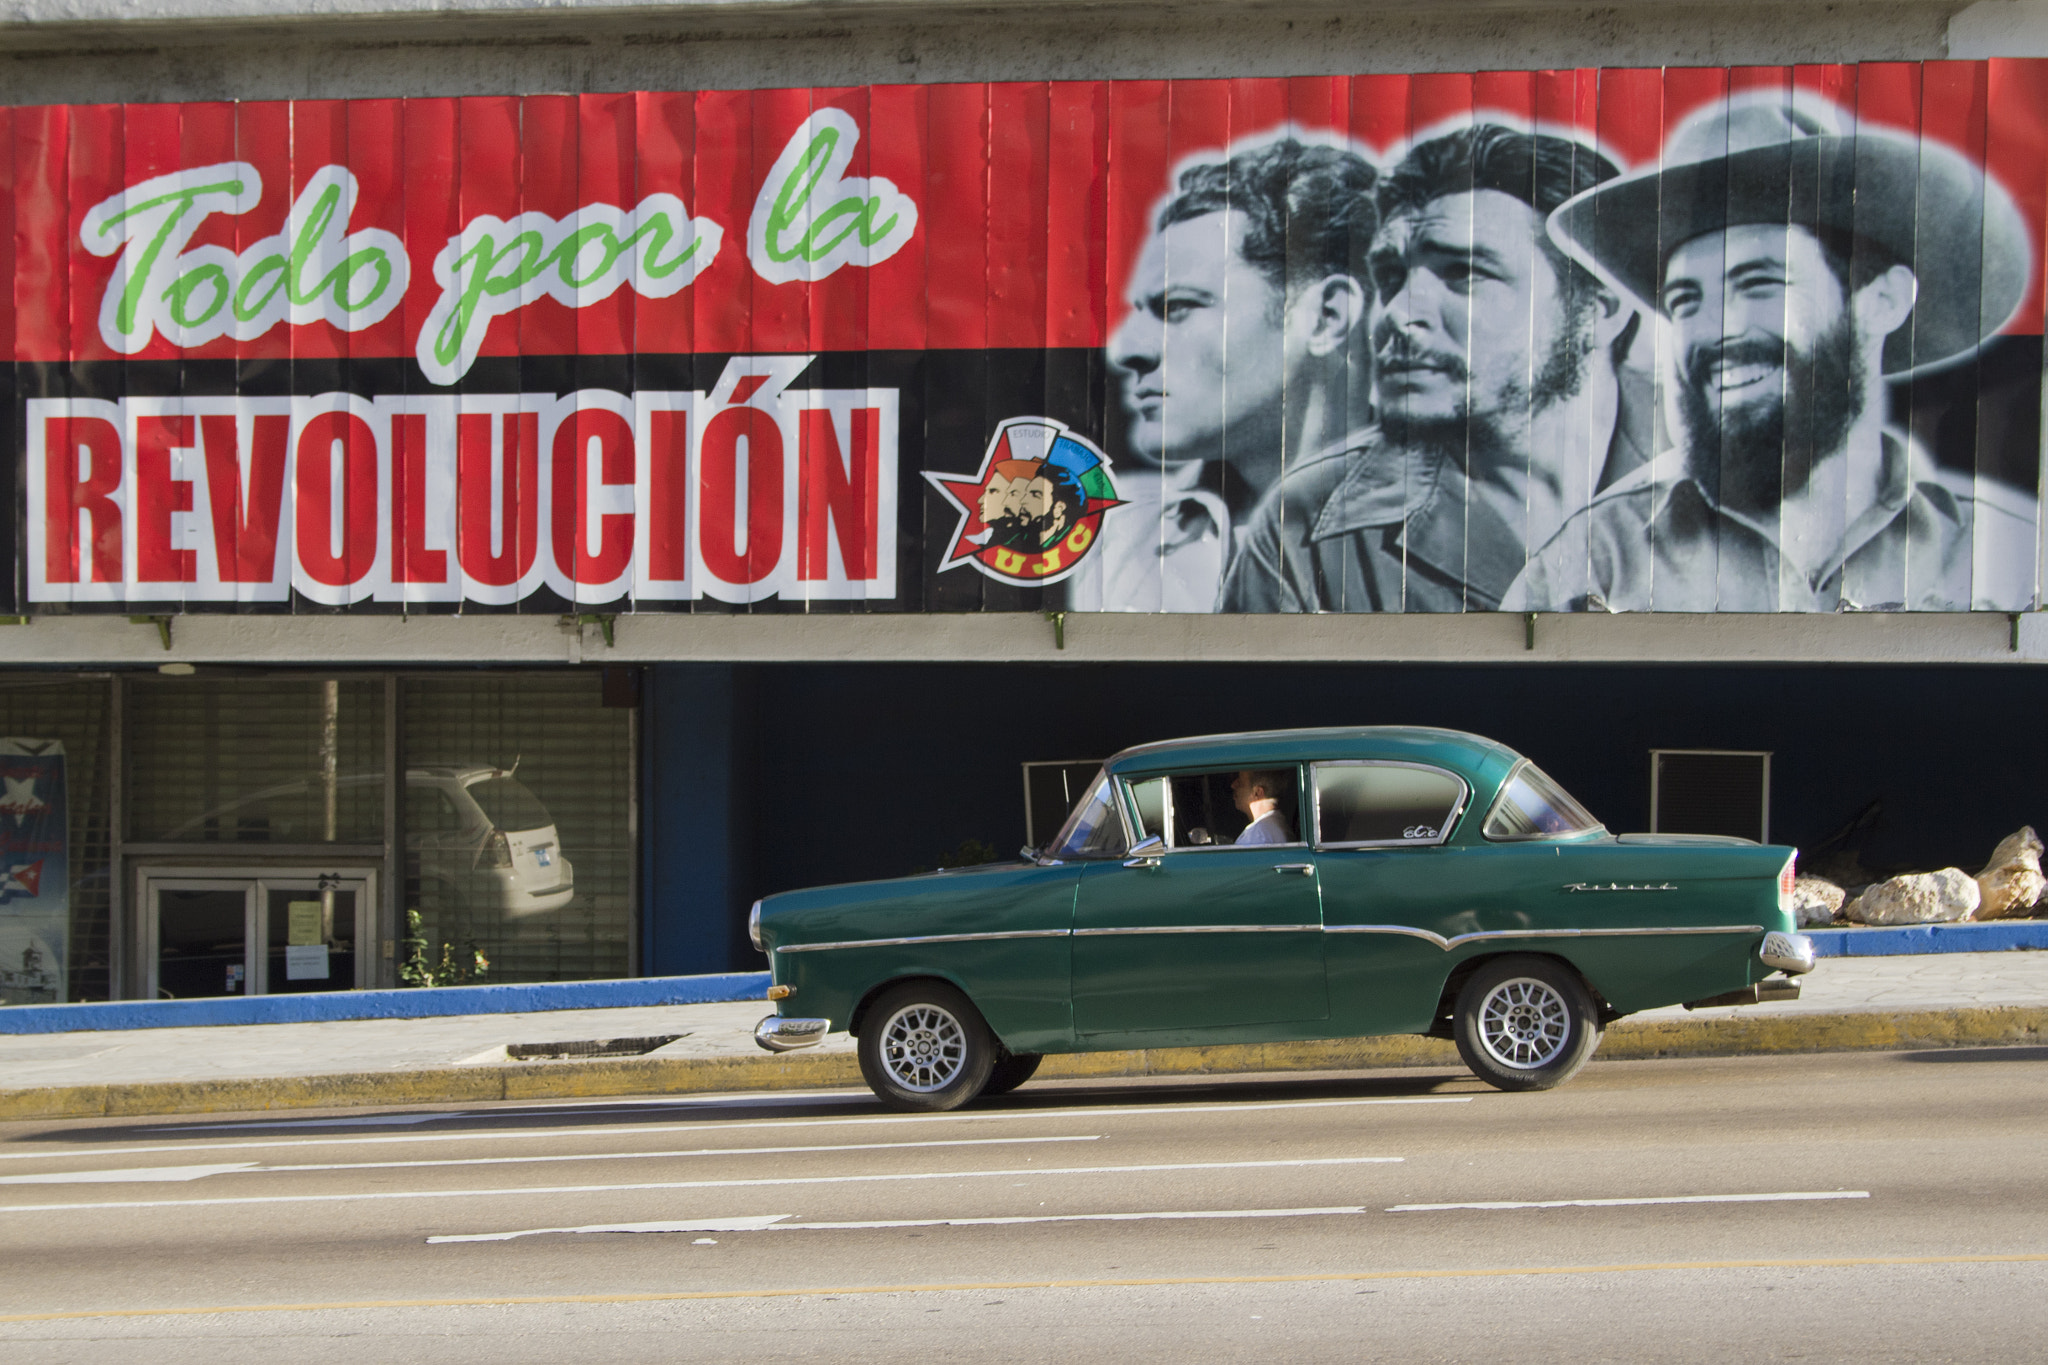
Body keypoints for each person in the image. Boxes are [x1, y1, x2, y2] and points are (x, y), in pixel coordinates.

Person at [1509, 92, 2035, 612]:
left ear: (1882, 302)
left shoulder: (2001, 562)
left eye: (1761, 283)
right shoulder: (1591, 567)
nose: (1719, 331)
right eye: (1685, 301)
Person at [1222, 124, 1642, 613]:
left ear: (1599, 311)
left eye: (1463, 272)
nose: (1397, 315)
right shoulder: (1304, 524)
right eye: (1392, 277)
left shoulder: (1721, 471)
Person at [1065, 137, 1378, 612]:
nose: (1128, 350)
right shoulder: (1110, 536)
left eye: (1178, 307)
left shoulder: (1465, 531)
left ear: (1325, 317)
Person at [1231, 769, 1295, 845]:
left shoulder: (1257, 835)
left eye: (1240, 783)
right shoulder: (1276, 825)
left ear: (1257, 793)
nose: (1233, 785)